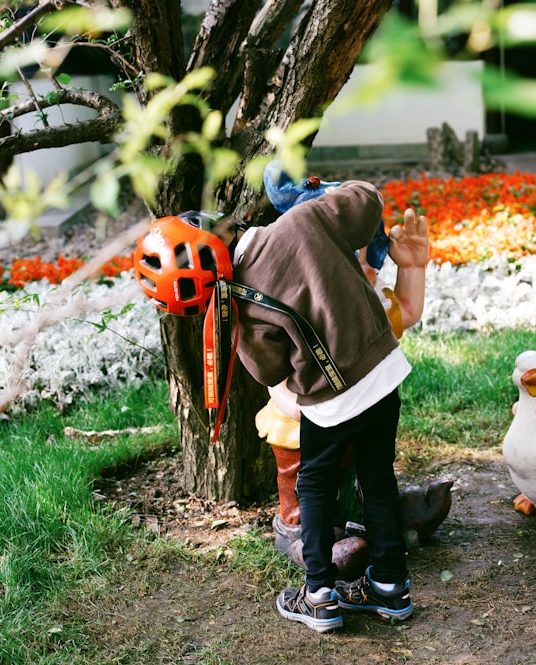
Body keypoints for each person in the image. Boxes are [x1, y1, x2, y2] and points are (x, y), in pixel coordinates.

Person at [132, 167, 429, 634]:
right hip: (384, 373)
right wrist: (317, 192)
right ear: (219, 223)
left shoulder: (239, 309)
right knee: (377, 477)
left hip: (328, 404)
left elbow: (272, 372)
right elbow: (366, 200)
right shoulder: (302, 221)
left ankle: (319, 596)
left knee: (312, 488)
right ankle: (391, 587)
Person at [254, 162, 431, 582]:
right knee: (308, 485)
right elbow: (274, 378)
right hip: (309, 419)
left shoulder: (365, 306)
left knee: (370, 471)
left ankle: (368, 524)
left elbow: (405, 311)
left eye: (365, 261)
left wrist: (412, 269)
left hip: (359, 406)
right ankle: (307, 536)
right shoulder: (292, 309)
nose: (356, 270)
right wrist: (312, 404)